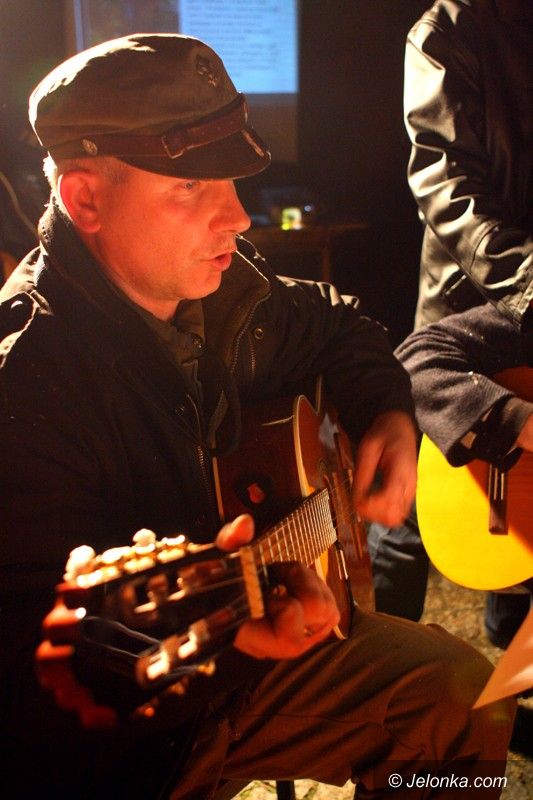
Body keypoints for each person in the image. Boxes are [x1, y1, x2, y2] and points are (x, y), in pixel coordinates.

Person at [0, 33, 514, 800]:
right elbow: (32, 675)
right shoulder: (27, 385)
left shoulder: (223, 289)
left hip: (241, 656)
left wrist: (384, 409)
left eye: (233, 183)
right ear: (86, 200)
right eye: (190, 188)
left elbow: (337, 321)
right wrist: (233, 639)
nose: (237, 217)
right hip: (129, 746)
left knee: (460, 696)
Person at [368, 0, 533, 642]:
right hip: (467, 318)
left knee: (513, 528)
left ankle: (509, 653)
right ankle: (380, 656)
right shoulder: (449, 32)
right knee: (414, 515)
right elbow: (448, 187)